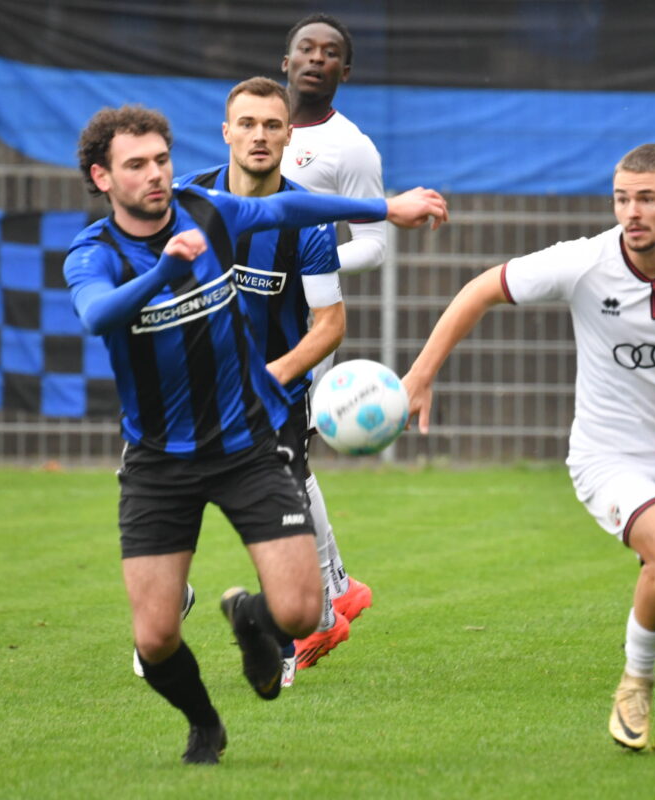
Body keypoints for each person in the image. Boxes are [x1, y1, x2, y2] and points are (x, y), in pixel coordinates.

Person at [402, 144, 655, 754]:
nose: (632, 212)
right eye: (622, 198)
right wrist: (421, 374)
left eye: (647, 198)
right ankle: (635, 684)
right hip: (609, 458)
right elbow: (480, 289)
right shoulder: (584, 262)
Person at [64, 104, 446, 765]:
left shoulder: (206, 210)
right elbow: (97, 315)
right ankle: (205, 724)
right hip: (159, 461)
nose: (155, 175)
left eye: (161, 159)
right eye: (136, 165)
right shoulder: (94, 254)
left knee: (303, 612)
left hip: (247, 443)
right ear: (102, 177)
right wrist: (164, 273)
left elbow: (284, 213)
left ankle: (253, 622)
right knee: (154, 640)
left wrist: (388, 209)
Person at [175, 76, 351, 683]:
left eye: (271, 125)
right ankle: (171, 601)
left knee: (285, 543)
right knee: (162, 512)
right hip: (184, 399)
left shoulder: (306, 220)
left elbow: (329, 325)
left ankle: (275, 634)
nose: (258, 136)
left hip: (273, 403)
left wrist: (270, 375)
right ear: (226, 133)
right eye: (246, 124)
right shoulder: (184, 201)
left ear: (288, 136)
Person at [276, 12, 384, 671]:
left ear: (345, 72)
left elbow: (373, 241)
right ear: (284, 61)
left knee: (279, 456)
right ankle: (338, 591)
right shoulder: (258, 124)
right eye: (304, 49)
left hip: (308, 323)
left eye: (330, 52)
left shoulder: (352, 148)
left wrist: (312, 262)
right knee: (280, 460)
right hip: (245, 320)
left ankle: (322, 608)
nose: (316, 58)